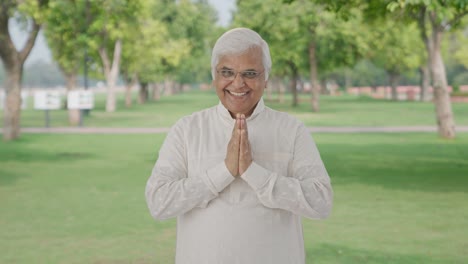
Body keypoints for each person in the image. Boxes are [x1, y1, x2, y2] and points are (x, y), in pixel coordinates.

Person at [145, 27, 333, 264]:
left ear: (266, 78)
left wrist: (253, 173)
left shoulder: (291, 130)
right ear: (214, 76)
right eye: (227, 72)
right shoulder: (187, 130)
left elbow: (321, 201)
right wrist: (224, 171)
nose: (238, 83)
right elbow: (159, 203)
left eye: (250, 73)